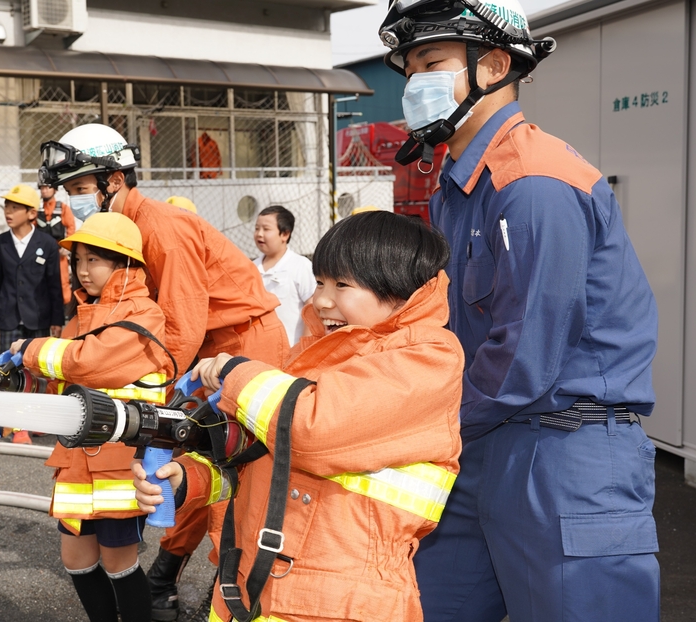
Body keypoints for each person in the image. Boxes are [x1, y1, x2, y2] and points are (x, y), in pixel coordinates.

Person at [376, 1, 660, 620]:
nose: (415, 83)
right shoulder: (458, 185)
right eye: (410, 69)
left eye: (432, 63)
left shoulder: (533, 185)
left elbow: (523, 357)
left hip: (565, 454)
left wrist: (406, 421)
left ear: (495, 64)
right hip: (482, 442)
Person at [134, 211, 465, 622]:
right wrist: (190, 481)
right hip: (253, 588)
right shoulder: (318, 354)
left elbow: (310, 429)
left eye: (342, 285)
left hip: (340, 604)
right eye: (321, 282)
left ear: (401, 292)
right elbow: (261, 460)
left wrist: (238, 373)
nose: (322, 299)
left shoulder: (428, 358)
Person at [39, 123, 291, 621]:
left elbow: (178, 325)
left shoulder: (160, 227)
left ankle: (228, 590)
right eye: (68, 191)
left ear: (114, 180)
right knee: (182, 468)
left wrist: (152, 398)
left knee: (229, 470)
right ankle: (165, 577)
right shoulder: (123, 231)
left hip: (239, 345)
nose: (74, 200)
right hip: (204, 349)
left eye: (81, 189)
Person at [8, 211, 169, 622]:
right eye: (76, 261)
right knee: (76, 559)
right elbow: (66, 377)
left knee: (120, 565)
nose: (82, 271)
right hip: (78, 459)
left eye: (93, 260)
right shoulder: (85, 313)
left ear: (126, 264)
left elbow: (90, 362)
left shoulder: (144, 313)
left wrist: (30, 348)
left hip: (119, 462)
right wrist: (23, 375)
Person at [0, 184, 64, 443]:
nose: (8, 212)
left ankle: (36, 420)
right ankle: (15, 425)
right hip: (8, 316)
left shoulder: (47, 244)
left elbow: (54, 285)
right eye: (7, 207)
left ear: (32, 213)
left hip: (39, 318)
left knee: (38, 371)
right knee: (9, 371)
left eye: (15, 207)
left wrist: (57, 319)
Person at [253, 205, 315, 345]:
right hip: (260, 351)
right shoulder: (251, 268)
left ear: (285, 234)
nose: (259, 234)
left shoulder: (301, 265)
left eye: (266, 229)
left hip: (292, 350)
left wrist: (304, 346)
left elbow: (312, 307)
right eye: (257, 228)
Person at [35, 182, 77, 306]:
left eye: (47, 187)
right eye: (42, 188)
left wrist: (67, 247)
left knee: (62, 278)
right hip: (41, 253)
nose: (44, 191)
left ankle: (65, 306)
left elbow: (71, 227)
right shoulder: (36, 209)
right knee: (40, 277)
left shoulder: (63, 208)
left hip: (59, 252)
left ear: (55, 190)